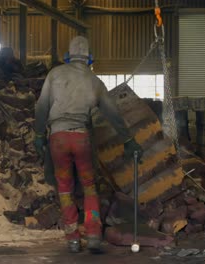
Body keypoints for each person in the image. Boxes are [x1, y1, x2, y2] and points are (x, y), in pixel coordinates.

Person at [34, 36, 143, 253]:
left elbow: (41, 107)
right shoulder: (95, 81)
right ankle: (93, 236)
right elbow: (113, 114)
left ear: (67, 57)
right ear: (90, 59)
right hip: (82, 139)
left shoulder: (54, 74)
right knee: (89, 187)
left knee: (65, 189)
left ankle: (73, 239)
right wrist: (128, 140)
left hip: (58, 139)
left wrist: (38, 135)